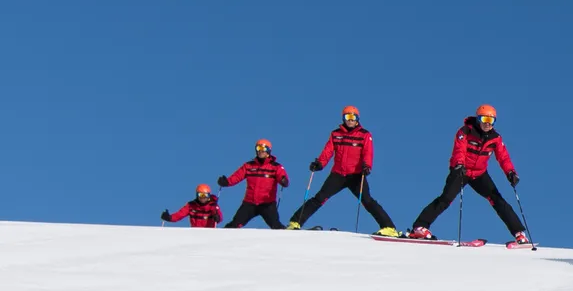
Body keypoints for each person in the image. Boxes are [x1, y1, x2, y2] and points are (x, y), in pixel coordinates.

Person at [408, 105, 529, 242]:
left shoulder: (495, 138)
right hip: (461, 170)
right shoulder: (465, 131)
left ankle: (519, 233)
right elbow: (459, 150)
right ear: (478, 119)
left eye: (491, 120)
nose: (487, 123)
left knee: (497, 200)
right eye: (484, 119)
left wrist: (511, 172)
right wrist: (459, 165)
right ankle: (419, 227)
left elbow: (503, 157)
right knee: (446, 199)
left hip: (479, 174)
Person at [291, 106, 398, 235]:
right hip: (338, 174)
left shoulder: (364, 135)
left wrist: (367, 166)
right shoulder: (336, 134)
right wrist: (319, 164)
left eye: (353, 117)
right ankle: (295, 222)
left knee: (367, 200)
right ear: (343, 118)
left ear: (357, 119)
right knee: (320, 197)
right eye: (347, 117)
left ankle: (389, 227)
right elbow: (328, 151)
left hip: (356, 175)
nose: (350, 120)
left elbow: (367, 153)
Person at [219, 139, 290, 228]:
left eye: (263, 149)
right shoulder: (249, 166)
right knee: (235, 224)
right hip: (250, 203)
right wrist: (226, 182)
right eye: (258, 148)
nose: (260, 151)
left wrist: (283, 180)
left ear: (268, 151)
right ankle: (220, 236)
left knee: (275, 225)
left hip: (267, 203)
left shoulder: (275, 167)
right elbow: (237, 176)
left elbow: (282, 176)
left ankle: (290, 237)